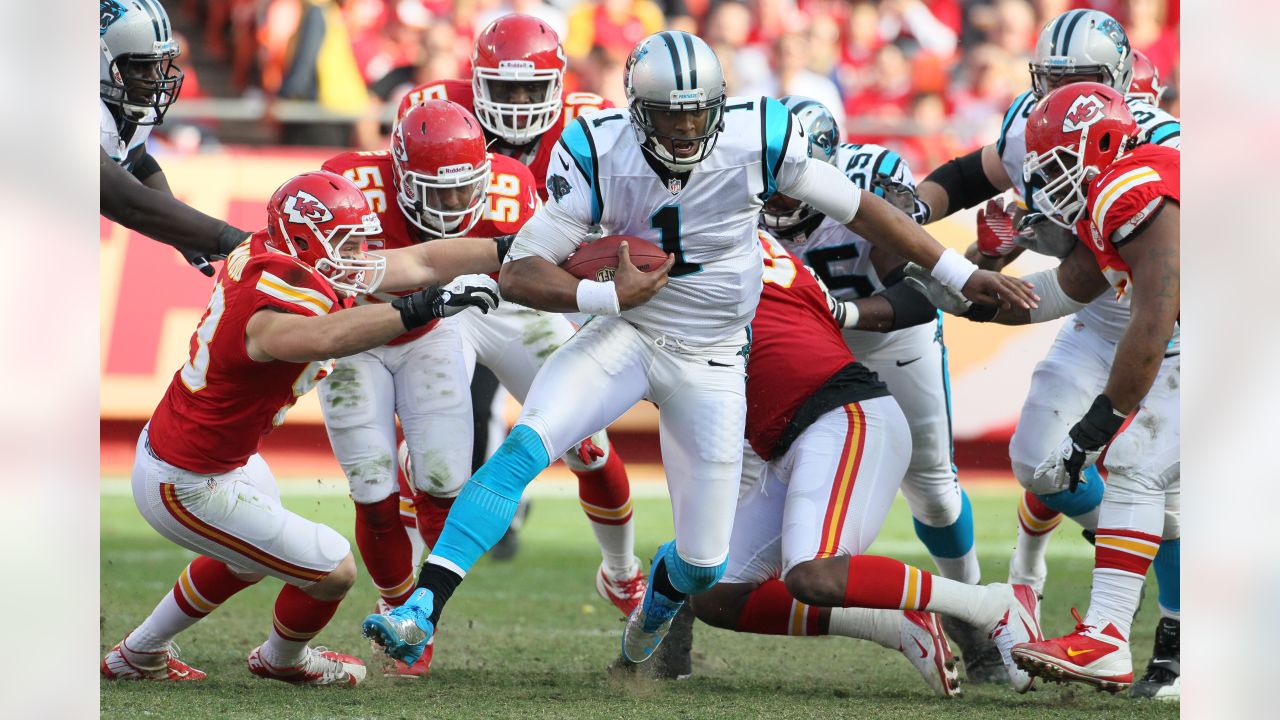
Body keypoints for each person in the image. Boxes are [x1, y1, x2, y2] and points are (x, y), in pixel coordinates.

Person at [361, 30, 1036, 670]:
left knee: (704, 565)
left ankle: (651, 617)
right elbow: (521, 271)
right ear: (637, 111)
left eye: (696, 115)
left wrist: (957, 273)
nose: (686, 131)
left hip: (712, 360)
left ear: (719, 107)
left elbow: (860, 207)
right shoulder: (599, 148)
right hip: (629, 332)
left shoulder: (759, 132)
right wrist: (607, 300)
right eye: (669, 116)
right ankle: (424, 606)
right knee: (526, 445)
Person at [101, 170, 503, 685]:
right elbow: (323, 336)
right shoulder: (273, 307)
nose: (356, 254)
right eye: (345, 242)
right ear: (306, 239)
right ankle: (282, 659)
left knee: (247, 558)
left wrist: (505, 248)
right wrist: (420, 307)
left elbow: (421, 260)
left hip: (215, 458)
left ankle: (138, 653)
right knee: (333, 569)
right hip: (185, 481)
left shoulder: (278, 252)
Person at [911, 8, 1181, 698]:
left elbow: (1154, 314)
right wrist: (958, 282)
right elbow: (1070, 281)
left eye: (1079, 82)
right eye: (1051, 80)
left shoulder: (1144, 161)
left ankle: (1133, 622)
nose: (1058, 99)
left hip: (1181, 324)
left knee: (1136, 467)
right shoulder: (1055, 139)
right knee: (1045, 463)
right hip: (1111, 309)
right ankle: (1147, 557)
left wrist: (1096, 427)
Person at [689, 230, 1045, 697]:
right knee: (715, 595)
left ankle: (990, 604)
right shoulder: (714, 237)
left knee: (816, 573)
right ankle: (896, 625)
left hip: (843, 415)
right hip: (791, 436)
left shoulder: (702, 243)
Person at [755, 96, 1006, 683]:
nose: (781, 201)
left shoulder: (873, 179)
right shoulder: (746, 189)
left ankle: (971, 613)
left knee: (936, 492)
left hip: (891, 337)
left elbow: (922, 296)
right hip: (804, 349)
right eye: (775, 183)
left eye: (795, 184)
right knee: (751, 468)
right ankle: (691, 586)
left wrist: (841, 313)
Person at [394, 14, 643, 600]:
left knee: (588, 440)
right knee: (427, 456)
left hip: (539, 293)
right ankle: (405, 599)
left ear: (559, 81)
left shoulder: (592, 119)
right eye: (504, 89)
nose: (518, 101)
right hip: (457, 293)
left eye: (532, 88)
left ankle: (623, 572)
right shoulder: (432, 108)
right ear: (476, 80)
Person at [316, 100, 538, 678]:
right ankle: (395, 607)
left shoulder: (512, 184)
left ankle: (422, 615)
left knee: (444, 478)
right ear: (400, 176)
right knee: (371, 486)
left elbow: (537, 264)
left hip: (431, 333)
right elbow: (350, 271)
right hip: (355, 338)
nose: (456, 205)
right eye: (438, 193)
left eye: (467, 191)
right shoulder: (349, 182)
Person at [99, 1, 247, 275]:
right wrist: (233, 240)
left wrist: (183, 232)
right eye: (141, 68)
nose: (154, 79)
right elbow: (124, 201)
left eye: (157, 66)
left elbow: (136, 159)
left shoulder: (118, 105)